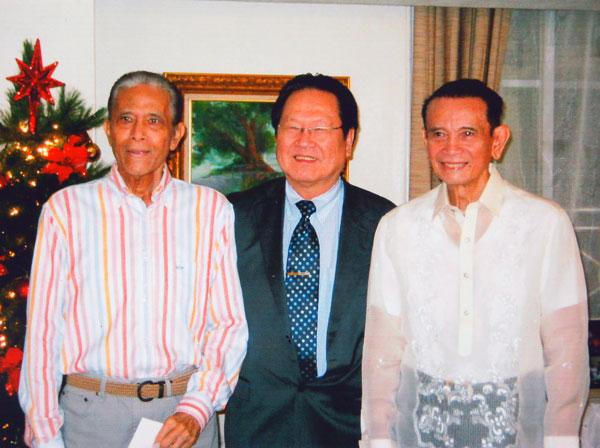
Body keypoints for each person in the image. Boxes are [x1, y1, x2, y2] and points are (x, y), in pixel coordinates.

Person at [18, 71, 248, 448]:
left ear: (176, 135)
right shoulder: (66, 211)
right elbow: (43, 332)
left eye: (154, 121)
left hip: (182, 416)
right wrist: (45, 435)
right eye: (126, 119)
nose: (138, 133)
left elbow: (227, 324)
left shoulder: (210, 211)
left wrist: (197, 408)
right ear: (109, 130)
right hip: (90, 416)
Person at [361, 79, 589, 448]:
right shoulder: (397, 227)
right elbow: (382, 352)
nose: (451, 148)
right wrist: (378, 440)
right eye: (439, 134)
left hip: (517, 432)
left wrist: (561, 441)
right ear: (425, 140)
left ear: (497, 141)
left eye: (467, 133)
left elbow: (567, 350)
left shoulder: (544, 223)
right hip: (421, 433)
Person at [224, 73, 395, 447]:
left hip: (349, 426)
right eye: (293, 127)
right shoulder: (233, 216)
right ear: (277, 136)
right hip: (257, 426)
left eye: (319, 128)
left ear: (348, 141)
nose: (304, 140)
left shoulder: (385, 223)